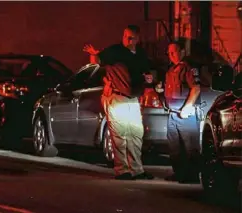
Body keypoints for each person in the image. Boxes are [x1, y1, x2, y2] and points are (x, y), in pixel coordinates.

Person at [84, 25, 153, 180]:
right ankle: (122, 170)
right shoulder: (115, 51)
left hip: (133, 99)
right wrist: (94, 55)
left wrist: (149, 79)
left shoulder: (140, 54)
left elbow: (146, 71)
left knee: (136, 134)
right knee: (120, 135)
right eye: (125, 36)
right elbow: (97, 60)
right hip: (117, 97)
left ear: (137, 39)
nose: (127, 40)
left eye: (131, 37)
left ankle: (136, 169)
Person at [156, 40, 201, 183]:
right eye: (168, 53)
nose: (171, 55)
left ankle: (192, 176)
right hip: (173, 113)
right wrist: (160, 89)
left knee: (189, 147)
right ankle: (179, 173)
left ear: (182, 51)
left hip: (185, 114)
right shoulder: (171, 69)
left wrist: (187, 108)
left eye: (173, 52)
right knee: (174, 147)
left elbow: (196, 88)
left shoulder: (188, 68)